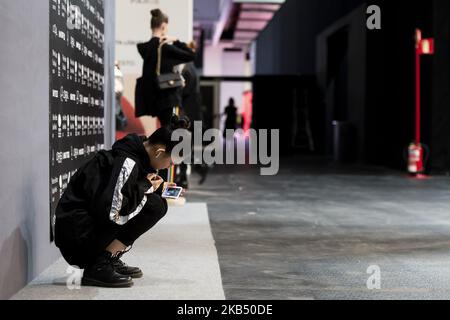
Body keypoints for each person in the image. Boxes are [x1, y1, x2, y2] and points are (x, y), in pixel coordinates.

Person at [55, 115, 190, 288]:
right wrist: (146, 185)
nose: (171, 166)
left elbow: (121, 193)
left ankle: (107, 258)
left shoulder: (137, 154)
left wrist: (155, 186)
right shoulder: (127, 162)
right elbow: (112, 212)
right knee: (155, 206)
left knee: (156, 203)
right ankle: (98, 265)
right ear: (159, 152)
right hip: (77, 237)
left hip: (84, 226)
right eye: (171, 161)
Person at [135, 9, 195, 126]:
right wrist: (176, 40)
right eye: (166, 28)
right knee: (173, 131)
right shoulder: (165, 48)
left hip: (154, 100)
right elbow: (191, 55)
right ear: (163, 26)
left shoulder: (145, 48)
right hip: (169, 98)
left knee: (166, 131)